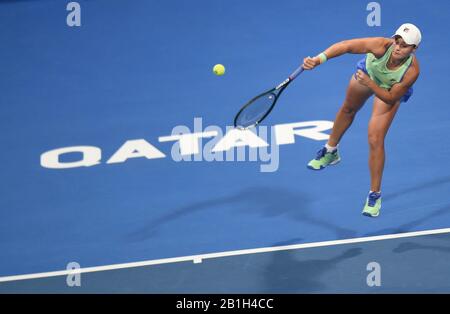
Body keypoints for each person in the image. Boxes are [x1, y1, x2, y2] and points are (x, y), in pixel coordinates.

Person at [302, 23, 421, 217]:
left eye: (405, 45)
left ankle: (375, 195)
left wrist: (370, 83)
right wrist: (318, 59)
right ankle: (330, 151)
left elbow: (390, 98)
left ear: (414, 49)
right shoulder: (380, 45)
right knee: (348, 108)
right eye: (397, 41)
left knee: (375, 139)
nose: (398, 47)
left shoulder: (412, 71)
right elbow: (346, 46)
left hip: (386, 90)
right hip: (368, 74)